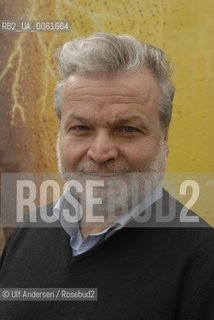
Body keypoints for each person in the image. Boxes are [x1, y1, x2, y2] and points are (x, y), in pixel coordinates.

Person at [0, 33, 214, 320]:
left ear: (164, 137)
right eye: (81, 128)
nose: (100, 152)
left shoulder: (203, 264)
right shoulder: (27, 232)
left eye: (127, 129)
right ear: (59, 134)